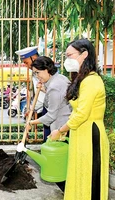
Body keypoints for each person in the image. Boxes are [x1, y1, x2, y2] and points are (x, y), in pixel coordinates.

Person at [49, 39, 109, 199]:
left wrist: (60, 130)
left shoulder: (92, 81)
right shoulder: (83, 79)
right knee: (79, 174)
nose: (67, 60)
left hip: (90, 135)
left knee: (90, 178)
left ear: (84, 54)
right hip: (80, 133)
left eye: (70, 55)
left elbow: (82, 114)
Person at [15, 46, 50, 139]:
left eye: (27, 63)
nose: (26, 66)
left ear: (33, 58)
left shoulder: (44, 72)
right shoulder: (35, 73)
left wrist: (31, 109)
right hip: (46, 109)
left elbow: (42, 97)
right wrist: (30, 109)